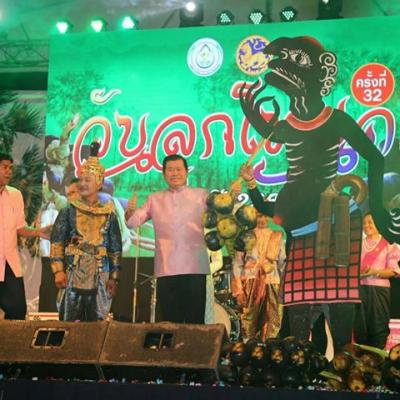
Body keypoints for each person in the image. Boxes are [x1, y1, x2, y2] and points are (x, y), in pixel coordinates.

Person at [125, 154, 210, 324]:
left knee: (195, 323)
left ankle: (195, 343)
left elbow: (221, 210)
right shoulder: (154, 199)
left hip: (195, 267)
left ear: (186, 172)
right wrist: (130, 212)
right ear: (164, 174)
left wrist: (234, 195)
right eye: (170, 170)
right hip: (166, 267)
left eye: (178, 169)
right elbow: (132, 222)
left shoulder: (201, 195)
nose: (174, 173)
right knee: (171, 322)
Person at [50, 143, 122, 321]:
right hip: (73, 272)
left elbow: (115, 249)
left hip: (100, 274)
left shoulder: (109, 214)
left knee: (97, 325)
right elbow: (57, 242)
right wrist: (58, 271)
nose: (82, 183)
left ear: (99, 183)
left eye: (87, 180)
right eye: (81, 179)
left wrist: (114, 278)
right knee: (69, 324)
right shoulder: (68, 211)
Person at [0, 152, 51, 320]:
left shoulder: (15, 195)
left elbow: (20, 228)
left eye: (10, 168)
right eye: (4, 167)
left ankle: (11, 338)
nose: (9, 172)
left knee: (17, 310)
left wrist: (38, 232)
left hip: (9, 263)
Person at [231, 210, 286, 341]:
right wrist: (238, 289)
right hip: (251, 281)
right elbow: (238, 263)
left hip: (272, 281)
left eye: (265, 216)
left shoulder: (277, 236)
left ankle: (270, 346)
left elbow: (282, 263)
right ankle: (248, 346)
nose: (262, 219)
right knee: (249, 316)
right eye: (259, 216)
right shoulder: (246, 236)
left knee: (273, 318)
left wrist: (284, 285)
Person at [354, 213, 400, 348]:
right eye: (364, 223)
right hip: (359, 291)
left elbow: (394, 271)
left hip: (379, 292)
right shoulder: (357, 245)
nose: (366, 225)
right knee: (360, 329)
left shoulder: (389, 244)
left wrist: (374, 272)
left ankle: (377, 359)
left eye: (370, 222)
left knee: (378, 330)